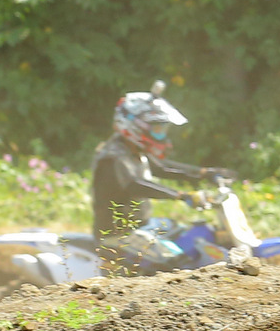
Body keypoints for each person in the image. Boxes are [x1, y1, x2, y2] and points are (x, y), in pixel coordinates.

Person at [91, 81, 235, 271]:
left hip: (143, 224)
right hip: (118, 234)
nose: (160, 134)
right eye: (156, 128)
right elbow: (135, 184)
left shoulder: (133, 149)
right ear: (135, 126)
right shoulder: (113, 156)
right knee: (178, 263)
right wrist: (182, 195)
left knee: (188, 234)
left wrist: (205, 173)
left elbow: (163, 168)